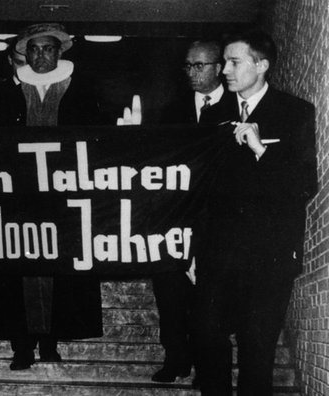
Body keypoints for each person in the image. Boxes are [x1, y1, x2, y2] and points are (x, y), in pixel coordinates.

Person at [193, 30, 317, 395]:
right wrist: (191, 249)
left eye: (234, 62)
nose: (225, 71)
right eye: (225, 62)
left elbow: (303, 184)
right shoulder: (212, 117)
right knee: (206, 337)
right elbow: (199, 190)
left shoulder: (295, 112)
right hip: (218, 254)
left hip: (269, 256)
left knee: (257, 349)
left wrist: (261, 148)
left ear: (261, 65)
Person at [0, 23, 108, 371]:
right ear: (26, 53)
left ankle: (51, 342)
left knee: (56, 268)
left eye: (48, 49)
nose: (41, 55)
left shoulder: (81, 91)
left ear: (60, 52)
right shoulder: (7, 92)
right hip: (19, 198)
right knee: (20, 268)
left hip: (62, 198)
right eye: (35, 49)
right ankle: (22, 345)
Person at [151, 39, 234, 383]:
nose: (192, 73)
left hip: (217, 221)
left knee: (211, 300)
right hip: (175, 218)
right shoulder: (170, 113)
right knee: (169, 294)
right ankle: (176, 359)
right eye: (188, 66)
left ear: (219, 68)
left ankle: (207, 366)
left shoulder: (237, 108)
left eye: (200, 66)